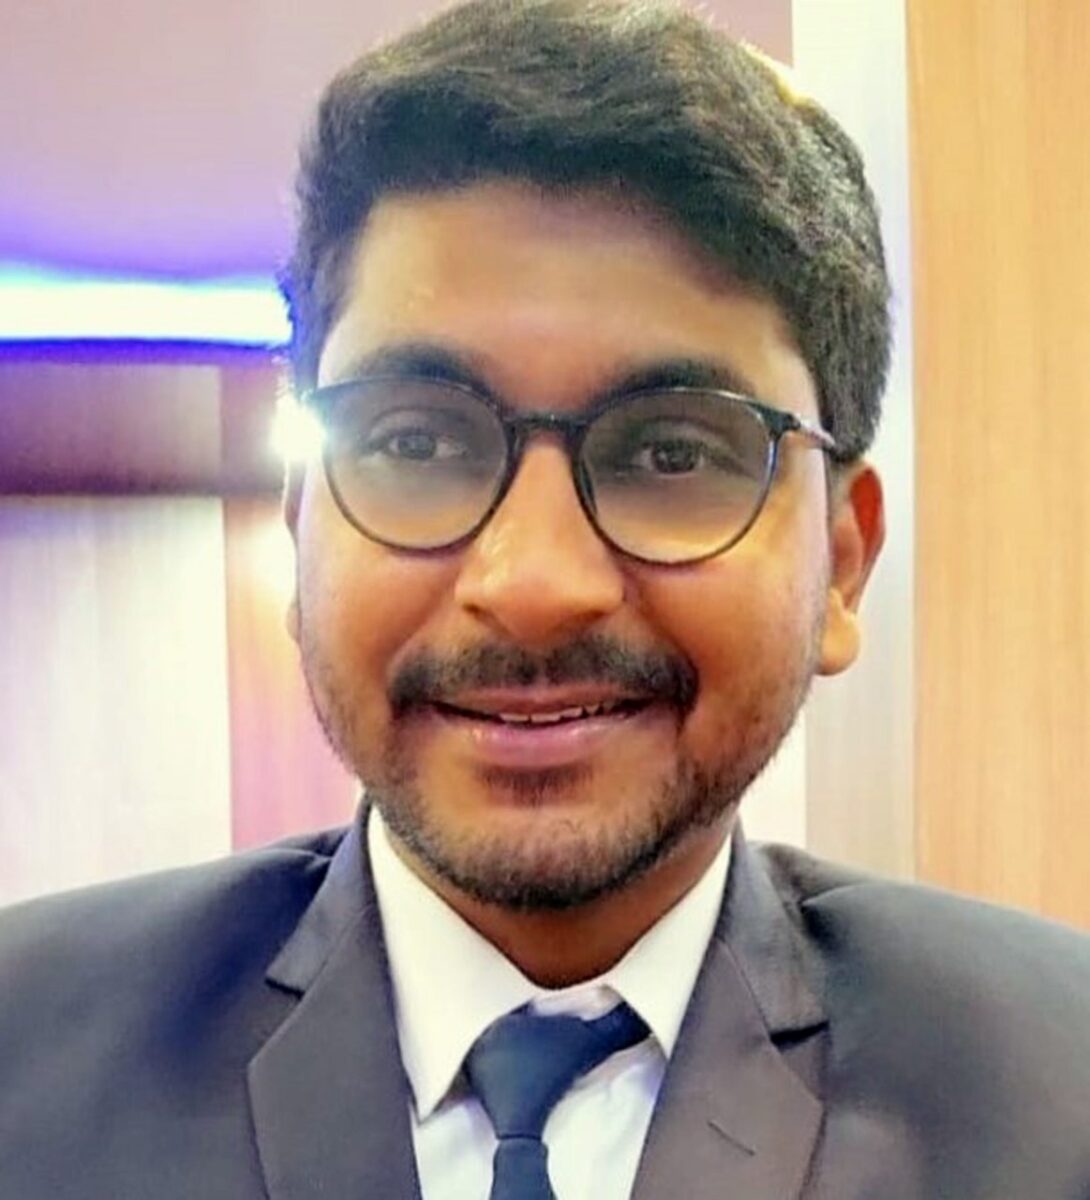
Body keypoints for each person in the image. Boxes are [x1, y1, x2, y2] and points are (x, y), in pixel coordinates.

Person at [2, 1, 1088, 1196]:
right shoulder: (27, 1065)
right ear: (304, 526)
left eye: (671, 453)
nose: (532, 585)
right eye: (418, 442)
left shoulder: (1056, 1096)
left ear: (840, 560)